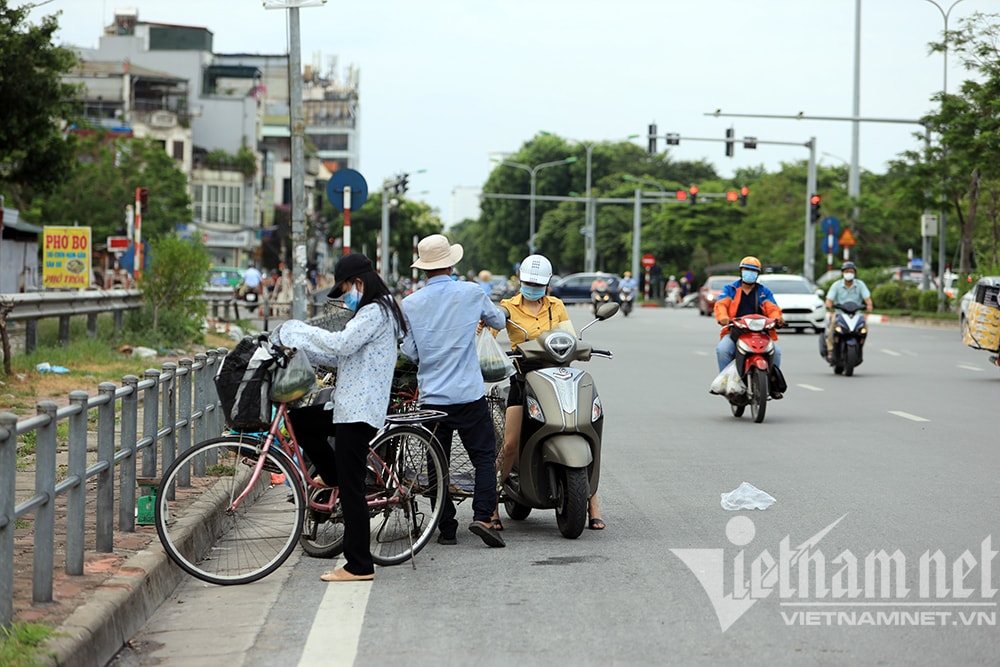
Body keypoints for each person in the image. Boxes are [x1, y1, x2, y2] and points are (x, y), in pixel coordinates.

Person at [271, 253, 406, 582]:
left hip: (359, 410)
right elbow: (336, 354)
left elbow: (341, 344)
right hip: (348, 404)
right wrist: (299, 347)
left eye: (345, 288)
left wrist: (299, 330)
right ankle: (330, 475)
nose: (345, 295)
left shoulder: (375, 312)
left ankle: (359, 564)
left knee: (352, 490)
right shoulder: (373, 310)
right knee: (303, 423)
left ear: (358, 283)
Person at [400, 234, 508, 548]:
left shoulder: (410, 303)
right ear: (451, 263)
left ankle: (446, 526)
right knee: (484, 458)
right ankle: (483, 517)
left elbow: (410, 351)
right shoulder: (472, 292)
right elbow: (497, 319)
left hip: (432, 397)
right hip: (468, 394)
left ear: (423, 269)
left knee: (437, 462)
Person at [489, 254, 605, 530]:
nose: (533, 287)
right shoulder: (508, 308)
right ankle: (491, 503)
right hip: (524, 378)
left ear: (548, 284)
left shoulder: (556, 305)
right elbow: (489, 336)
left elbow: (569, 336)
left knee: (583, 428)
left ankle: (593, 504)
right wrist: (486, 340)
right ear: (520, 279)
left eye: (539, 283)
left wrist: (581, 347)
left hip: (558, 376)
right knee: (509, 444)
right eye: (529, 282)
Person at [713, 256, 786, 399]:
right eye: (747, 269)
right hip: (736, 331)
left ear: (758, 274)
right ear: (741, 271)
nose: (750, 273)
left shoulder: (764, 292)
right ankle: (726, 383)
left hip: (761, 332)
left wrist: (777, 318)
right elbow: (721, 304)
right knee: (723, 349)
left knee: (776, 352)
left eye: (753, 271)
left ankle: (772, 384)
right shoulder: (731, 289)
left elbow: (772, 308)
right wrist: (723, 317)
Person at [823, 261, 873, 357]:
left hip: (856, 314)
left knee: (865, 327)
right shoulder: (836, 285)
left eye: (851, 271)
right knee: (832, 327)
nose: (848, 273)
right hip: (840, 314)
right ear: (843, 273)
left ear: (854, 273)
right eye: (846, 271)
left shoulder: (860, 284)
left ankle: (860, 347)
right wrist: (829, 304)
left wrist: (869, 305)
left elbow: (867, 298)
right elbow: (829, 300)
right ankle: (830, 349)